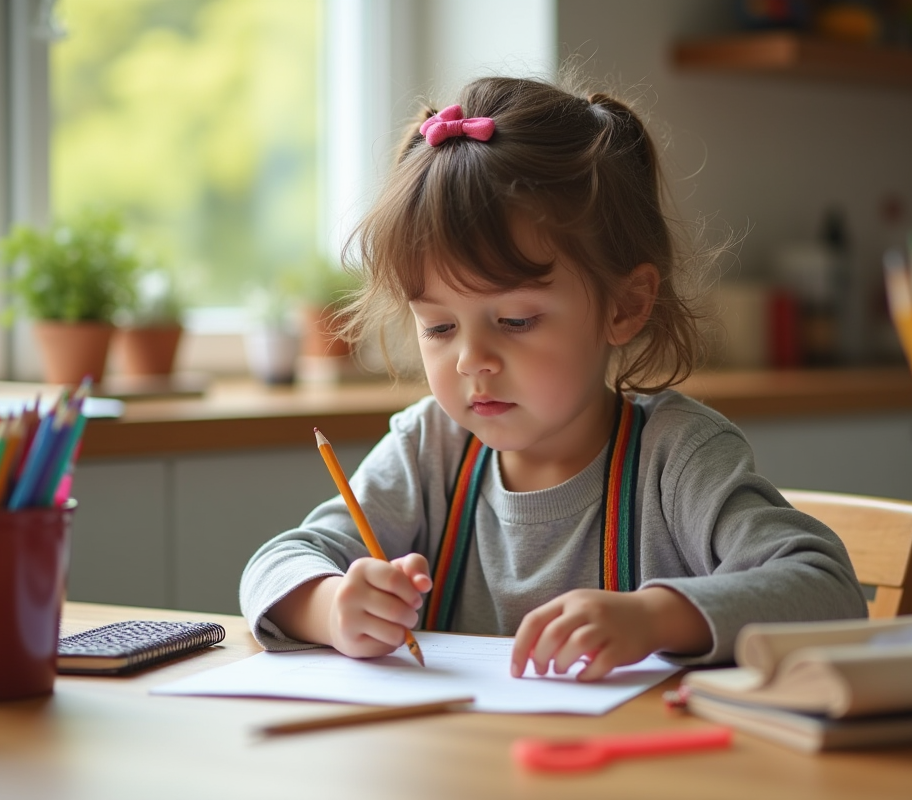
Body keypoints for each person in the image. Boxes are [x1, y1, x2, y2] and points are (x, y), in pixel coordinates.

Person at [240, 76, 866, 682]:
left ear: (624, 305)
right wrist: (331, 606)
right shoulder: (429, 449)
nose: (470, 360)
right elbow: (273, 565)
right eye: (438, 328)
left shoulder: (677, 458)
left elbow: (828, 589)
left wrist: (657, 617)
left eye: (514, 320)